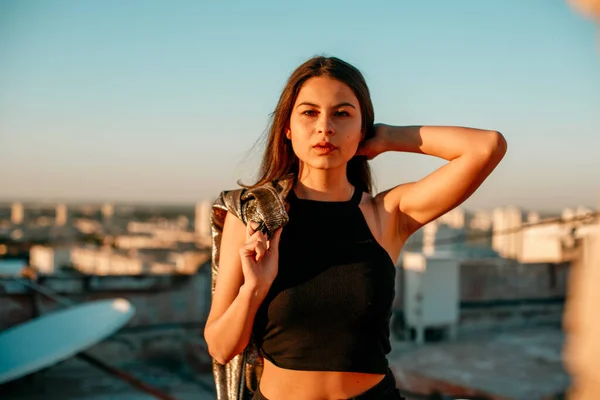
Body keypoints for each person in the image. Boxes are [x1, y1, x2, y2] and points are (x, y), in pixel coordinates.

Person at [204, 55, 507, 400]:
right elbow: (220, 348)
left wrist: (388, 137)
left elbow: (486, 147)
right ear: (287, 128)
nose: (325, 127)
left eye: (342, 113)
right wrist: (254, 289)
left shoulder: (387, 215)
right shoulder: (252, 216)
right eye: (309, 112)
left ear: (362, 129)